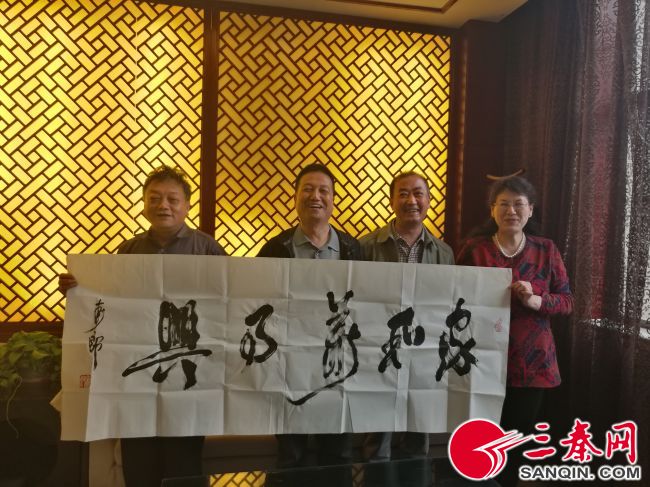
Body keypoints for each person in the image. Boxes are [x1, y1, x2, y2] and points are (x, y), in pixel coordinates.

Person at [58, 165, 226, 487]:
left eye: (173, 199)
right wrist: (78, 289)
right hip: (137, 374)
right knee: (139, 460)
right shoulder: (129, 250)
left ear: (187, 205)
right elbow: (108, 301)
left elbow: (228, 304)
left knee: (183, 464)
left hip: (187, 376)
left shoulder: (207, 249)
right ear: (145, 204)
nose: (164, 205)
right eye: (155, 198)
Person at [456, 175, 573, 487]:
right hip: (480, 360)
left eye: (519, 204)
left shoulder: (546, 250)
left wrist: (536, 299)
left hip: (531, 364)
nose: (511, 211)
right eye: (504, 204)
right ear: (492, 209)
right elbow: (453, 298)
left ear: (530, 210)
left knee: (516, 438)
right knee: (480, 436)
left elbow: (567, 302)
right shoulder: (473, 250)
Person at [257, 163, 361, 485]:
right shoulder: (275, 249)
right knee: (291, 455)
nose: (315, 196)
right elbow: (257, 305)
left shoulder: (353, 249)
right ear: (296, 197)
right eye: (308, 189)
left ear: (332, 200)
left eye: (323, 191)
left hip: (338, 368)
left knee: (338, 454)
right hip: (289, 370)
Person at [360, 171, 454, 485]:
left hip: (424, 352)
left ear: (428, 200)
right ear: (391, 200)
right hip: (380, 350)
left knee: (418, 434)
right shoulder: (368, 246)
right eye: (403, 193)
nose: (411, 201)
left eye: (418, 193)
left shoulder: (443, 252)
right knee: (378, 437)